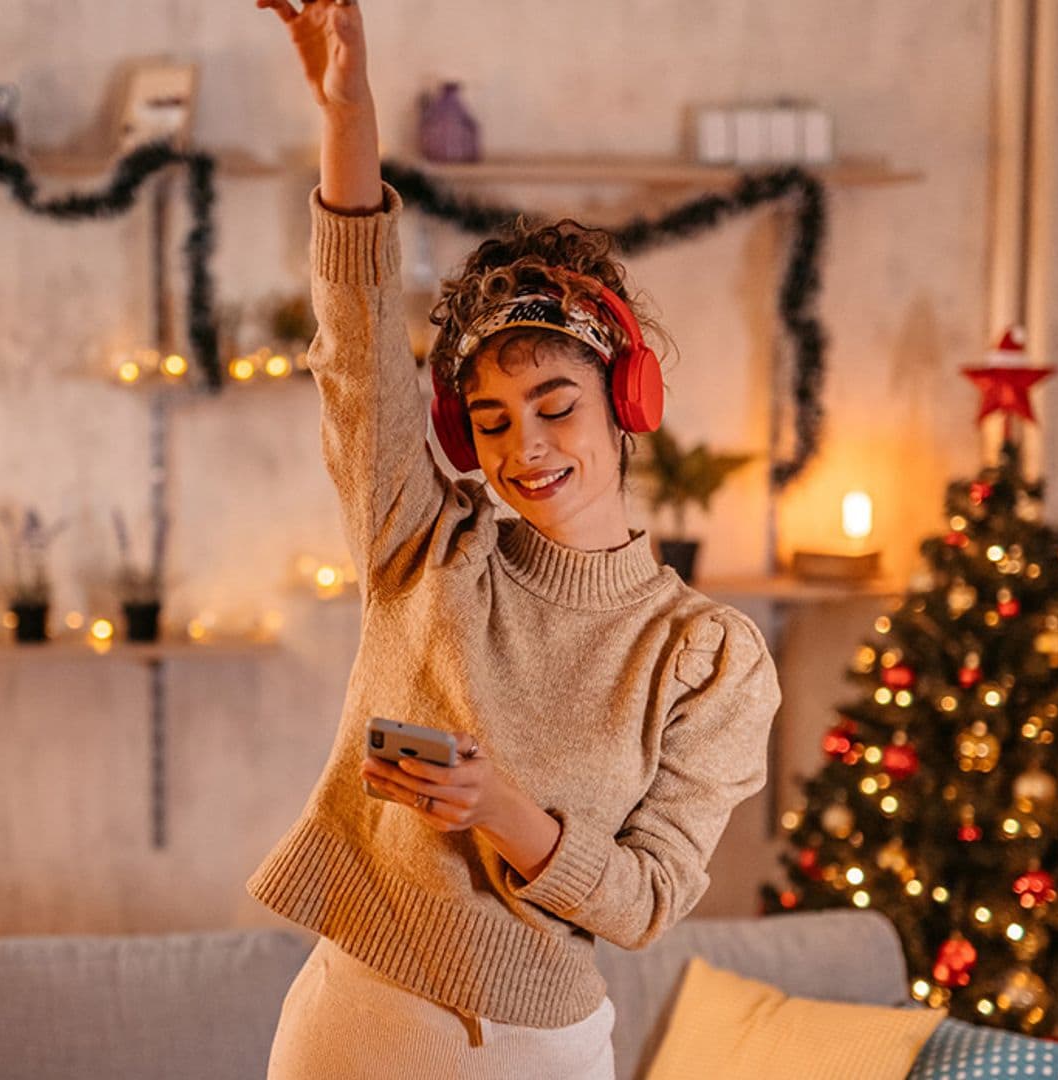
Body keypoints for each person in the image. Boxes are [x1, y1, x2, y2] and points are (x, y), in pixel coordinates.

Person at [248, 2, 783, 1076]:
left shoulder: (706, 656)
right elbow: (355, 342)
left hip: (534, 1048)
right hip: (350, 1021)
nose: (523, 447)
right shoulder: (425, 546)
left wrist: (499, 809)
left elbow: (645, 903)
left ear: (627, 401)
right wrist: (348, 114)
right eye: (489, 421)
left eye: (554, 405)